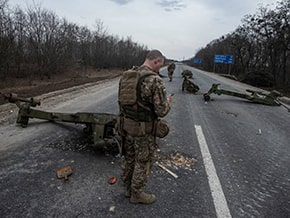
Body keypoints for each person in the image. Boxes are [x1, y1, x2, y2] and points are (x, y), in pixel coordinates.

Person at [117, 49, 171, 204]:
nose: (159, 68)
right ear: (157, 61)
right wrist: (168, 102)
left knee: (129, 157)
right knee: (143, 160)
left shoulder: (127, 75)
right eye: (160, 65)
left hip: (126, 127)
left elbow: (121, 103)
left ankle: (127, 188)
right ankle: (137, 194)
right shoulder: (154, 80)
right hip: (143, 131)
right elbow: (161, 111)